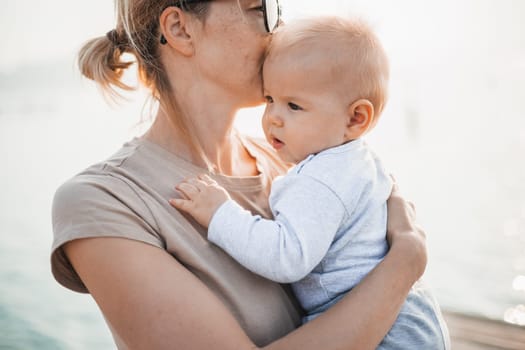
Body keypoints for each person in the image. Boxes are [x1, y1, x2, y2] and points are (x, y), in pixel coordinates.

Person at [51, 1, 429, 349]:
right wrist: (403, 266)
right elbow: (395, 255)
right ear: (181, 29)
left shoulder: (296, 160)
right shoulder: (105, 201)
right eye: (261, 8)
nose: (280, 28)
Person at [170, 16, 450, 349]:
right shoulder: (354, 162)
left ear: (355, 118)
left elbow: (287, 255)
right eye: (270, 99)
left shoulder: (321, 180)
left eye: (294, 105)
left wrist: (220, 214)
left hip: (386, 331)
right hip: (404, 316)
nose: (273, 116)